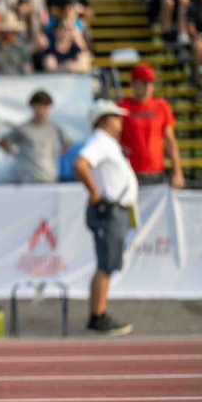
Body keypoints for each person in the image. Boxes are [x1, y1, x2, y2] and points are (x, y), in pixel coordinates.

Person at [71, 99, 136, 336]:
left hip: (114, 210)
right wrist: (94, 191)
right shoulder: (100, 141)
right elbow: (80, 164)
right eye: (116, 116)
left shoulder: (106, 142)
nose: (120, 121)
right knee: (105, 264)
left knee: (107, 265)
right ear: (104, 119)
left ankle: (99, 313)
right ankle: (97, 316)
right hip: (108, 211)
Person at [117, 64, 184, 188]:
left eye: (151, 83)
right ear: (134, 84)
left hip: (156, 172)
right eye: (144, 82)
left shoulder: (161, 106)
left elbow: (170, 141)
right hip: (129, 172)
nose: (148, 87)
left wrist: (178, 172)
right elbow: (113, 139)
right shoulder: (121, 108)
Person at [0, 90, 72, 183]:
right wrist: (13, 152)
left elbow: (68, 142)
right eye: (39, 107)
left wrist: (56, 153)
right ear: (32, 106)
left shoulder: (55, 128)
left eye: (46, 107)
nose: (43, 111)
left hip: (49, 178)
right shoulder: (23, 128)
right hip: (26, 179)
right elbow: (3, 142)